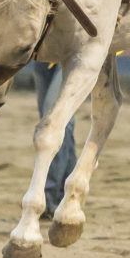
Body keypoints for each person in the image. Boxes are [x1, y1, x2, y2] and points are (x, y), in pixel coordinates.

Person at [32, 62, 76, 219]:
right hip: (43, 54)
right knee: (57, 122)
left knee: (54, 121)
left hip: (72, 54)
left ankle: (48, 197)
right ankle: (69, 195)